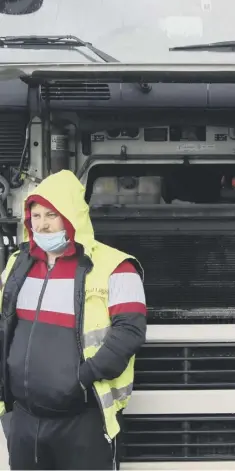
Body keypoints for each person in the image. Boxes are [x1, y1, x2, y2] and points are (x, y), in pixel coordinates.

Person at [0, 170, 147, 470]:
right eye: (36, 215)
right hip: (24, 421)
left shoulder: (115, 266)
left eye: (51, 215)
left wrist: (81, 378)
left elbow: (129, 332)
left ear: (71, 216)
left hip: (83, 421)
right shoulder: (18, 262)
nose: (41, 224)